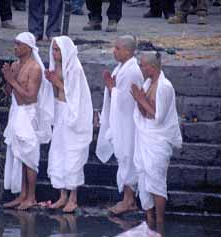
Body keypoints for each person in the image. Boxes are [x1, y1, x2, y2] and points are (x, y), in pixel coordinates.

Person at [130, 51, 182, 235]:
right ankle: (149, 220)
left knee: (157, 181)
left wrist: (141, 99)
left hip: (158, 139)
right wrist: (138, 100)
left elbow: (157, 116)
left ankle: (160, 224)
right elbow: (143, 112)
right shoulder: (147, 83)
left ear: (152, 67)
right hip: (146, 135)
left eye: (143, 65)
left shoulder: (165, 87)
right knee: (144, 178)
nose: (140, 68)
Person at [2, 32, 54, 210]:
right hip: (15, 111)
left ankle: (31, 197)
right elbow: (9, 92)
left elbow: (31, 98)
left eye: (18, 45)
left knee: (30, 157)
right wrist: (8, 78)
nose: (15, 47)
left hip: (29, 114)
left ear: (29, 47)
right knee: (18, 155)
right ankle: (21, 195)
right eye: (14, 44)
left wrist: (12, 80)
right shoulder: (15, 65)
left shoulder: (35, 69)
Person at [96, 35, 143, 215]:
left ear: (128, 51)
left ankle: (129, 201)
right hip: (122, 122)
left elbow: (124, 101)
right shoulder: (121, 67)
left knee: (128, 158)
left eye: (117, 48)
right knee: (123, 158)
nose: (114, 51)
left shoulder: (131, 71)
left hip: (128, 123)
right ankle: (126, 199)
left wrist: (111, 88)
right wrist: (113, 88)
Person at [45, 36, 93, 213]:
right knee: (58, 152)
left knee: (73, 155)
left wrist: (55, 81)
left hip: (73, 114)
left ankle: (73, 198)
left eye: (58, 50)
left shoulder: (75, 67)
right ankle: (62, 196)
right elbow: (54, 91)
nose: (55, 53)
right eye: (54, 50)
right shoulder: (55, 66)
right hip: (59, 111)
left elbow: (73, 93)